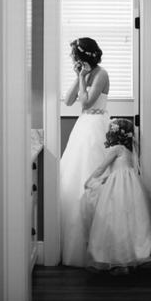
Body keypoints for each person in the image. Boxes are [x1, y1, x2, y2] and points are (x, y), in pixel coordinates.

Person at [81, 118, 151, 276]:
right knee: (131, 220)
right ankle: (134, 255)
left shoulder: (116, 148)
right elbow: (120, 168)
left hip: (118, 185)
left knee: (115, 218)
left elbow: (102, 167)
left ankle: (118, 260)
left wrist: (89, 181)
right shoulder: (129, 149)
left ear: (114, 133)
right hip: (131, 184)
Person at [59, 37, 110, 267]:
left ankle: (100, 244)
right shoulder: (84, 74)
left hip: (96, 128)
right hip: (82, 129)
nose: (72, 59)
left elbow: (87, 103)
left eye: (74, 56)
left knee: (95, 180)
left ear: (84, 56)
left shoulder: (101, 74)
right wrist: (77, 76)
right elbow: (69, 101)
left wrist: (82, 77)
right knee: (74, 179)